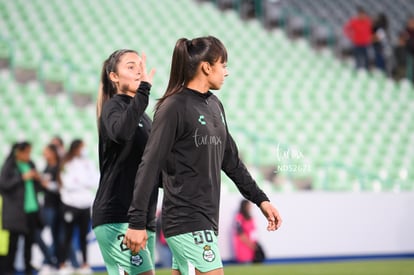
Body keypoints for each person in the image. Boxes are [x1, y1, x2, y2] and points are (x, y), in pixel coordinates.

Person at [124, 36, 282, 275]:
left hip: (206, 219)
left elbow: (231, 162)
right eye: (224, 65)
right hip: (186, 219)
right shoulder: (173, 107)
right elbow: (149, 164)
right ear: (207, 67)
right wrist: (136, 222)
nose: (226, 72)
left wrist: (261, 199)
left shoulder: (215, 106)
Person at [92, 49, 158, 275]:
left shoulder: (146, 119)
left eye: (140, 66)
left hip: (143, 219)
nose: (139, 70)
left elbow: (151, 168)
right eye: (131, 66)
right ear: (114, 77)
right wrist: (144, 92)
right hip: (118, 214)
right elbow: (122, 133)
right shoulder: (113, 108)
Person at [0, 142, 43, 275]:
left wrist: (38, 178)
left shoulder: (31, 164)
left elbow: (38, 188)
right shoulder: (10, 166)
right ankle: (8, 270)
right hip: (15, 212)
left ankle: (28, 270)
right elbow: (4, 185)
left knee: (29, 244)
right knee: (13, 244)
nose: (28, 155)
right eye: (26, 152)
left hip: (31, 210)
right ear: (19, 152)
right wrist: (22, 177)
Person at [58, 139, 99, 275]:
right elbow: (67, 183)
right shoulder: (66, 163)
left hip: (85, 204)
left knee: (83, 236)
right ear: (76, 148)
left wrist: (81, 182)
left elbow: (95, 180)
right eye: (82, 147)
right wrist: (83, 183)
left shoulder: (88, 163)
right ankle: (63, 265)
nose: (84, 150)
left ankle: (85, 264)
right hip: (70, 204)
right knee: (67, 236)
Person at [37, 144, 62, 275]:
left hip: (55, 206)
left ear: (53, 153)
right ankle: (51, 262)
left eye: (46, 152)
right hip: (46, 205)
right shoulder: (46, 167)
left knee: (55, 236)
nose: (44, 155)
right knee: (39, 234)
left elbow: (61, 186)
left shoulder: (58, 167)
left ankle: (50, 263)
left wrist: (47, 184)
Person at [344, 6, 373, 70]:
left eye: (363, 14)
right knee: (357, 58)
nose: (362, 16)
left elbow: (371, 31)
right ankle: (358, 71)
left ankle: (366, 70)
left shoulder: (368, 21)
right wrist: (351, 36)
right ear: (358, 14)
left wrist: (370, 37)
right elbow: (346, 29)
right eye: (360, 14)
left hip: (365, 43)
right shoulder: (354, 21)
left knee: (366, 58)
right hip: (357, 43)